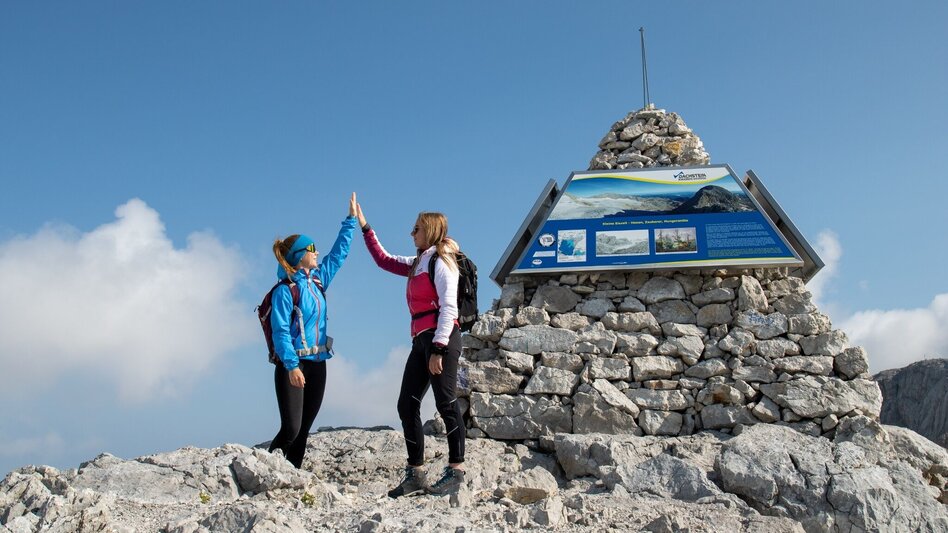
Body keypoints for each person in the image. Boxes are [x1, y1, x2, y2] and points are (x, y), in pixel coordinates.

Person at [356, 203, 466, 497]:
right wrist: (365, 226)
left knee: (446, 403)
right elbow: (383, 259)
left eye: (416, 228)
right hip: (420, 340)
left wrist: (439, 348)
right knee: (407, 404)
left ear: (428, 230)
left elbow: (449, 308)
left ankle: (456, 472)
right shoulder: (418, 262)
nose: (411, 233)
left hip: (440, 338)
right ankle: (415, 474)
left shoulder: (441, 262)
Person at [268, 193, 359, 469]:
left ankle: (291, 477)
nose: (317, 252)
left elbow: (339, 253)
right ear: (299, 256)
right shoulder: (285, 291)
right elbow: (280, 332)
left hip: (319, 364)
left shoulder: (319, 280)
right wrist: (292, 366)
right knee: (291, 429)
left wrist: (351, 220)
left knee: (305, 429)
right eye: (312, 248)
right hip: (292, 366)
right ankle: (262, 470)